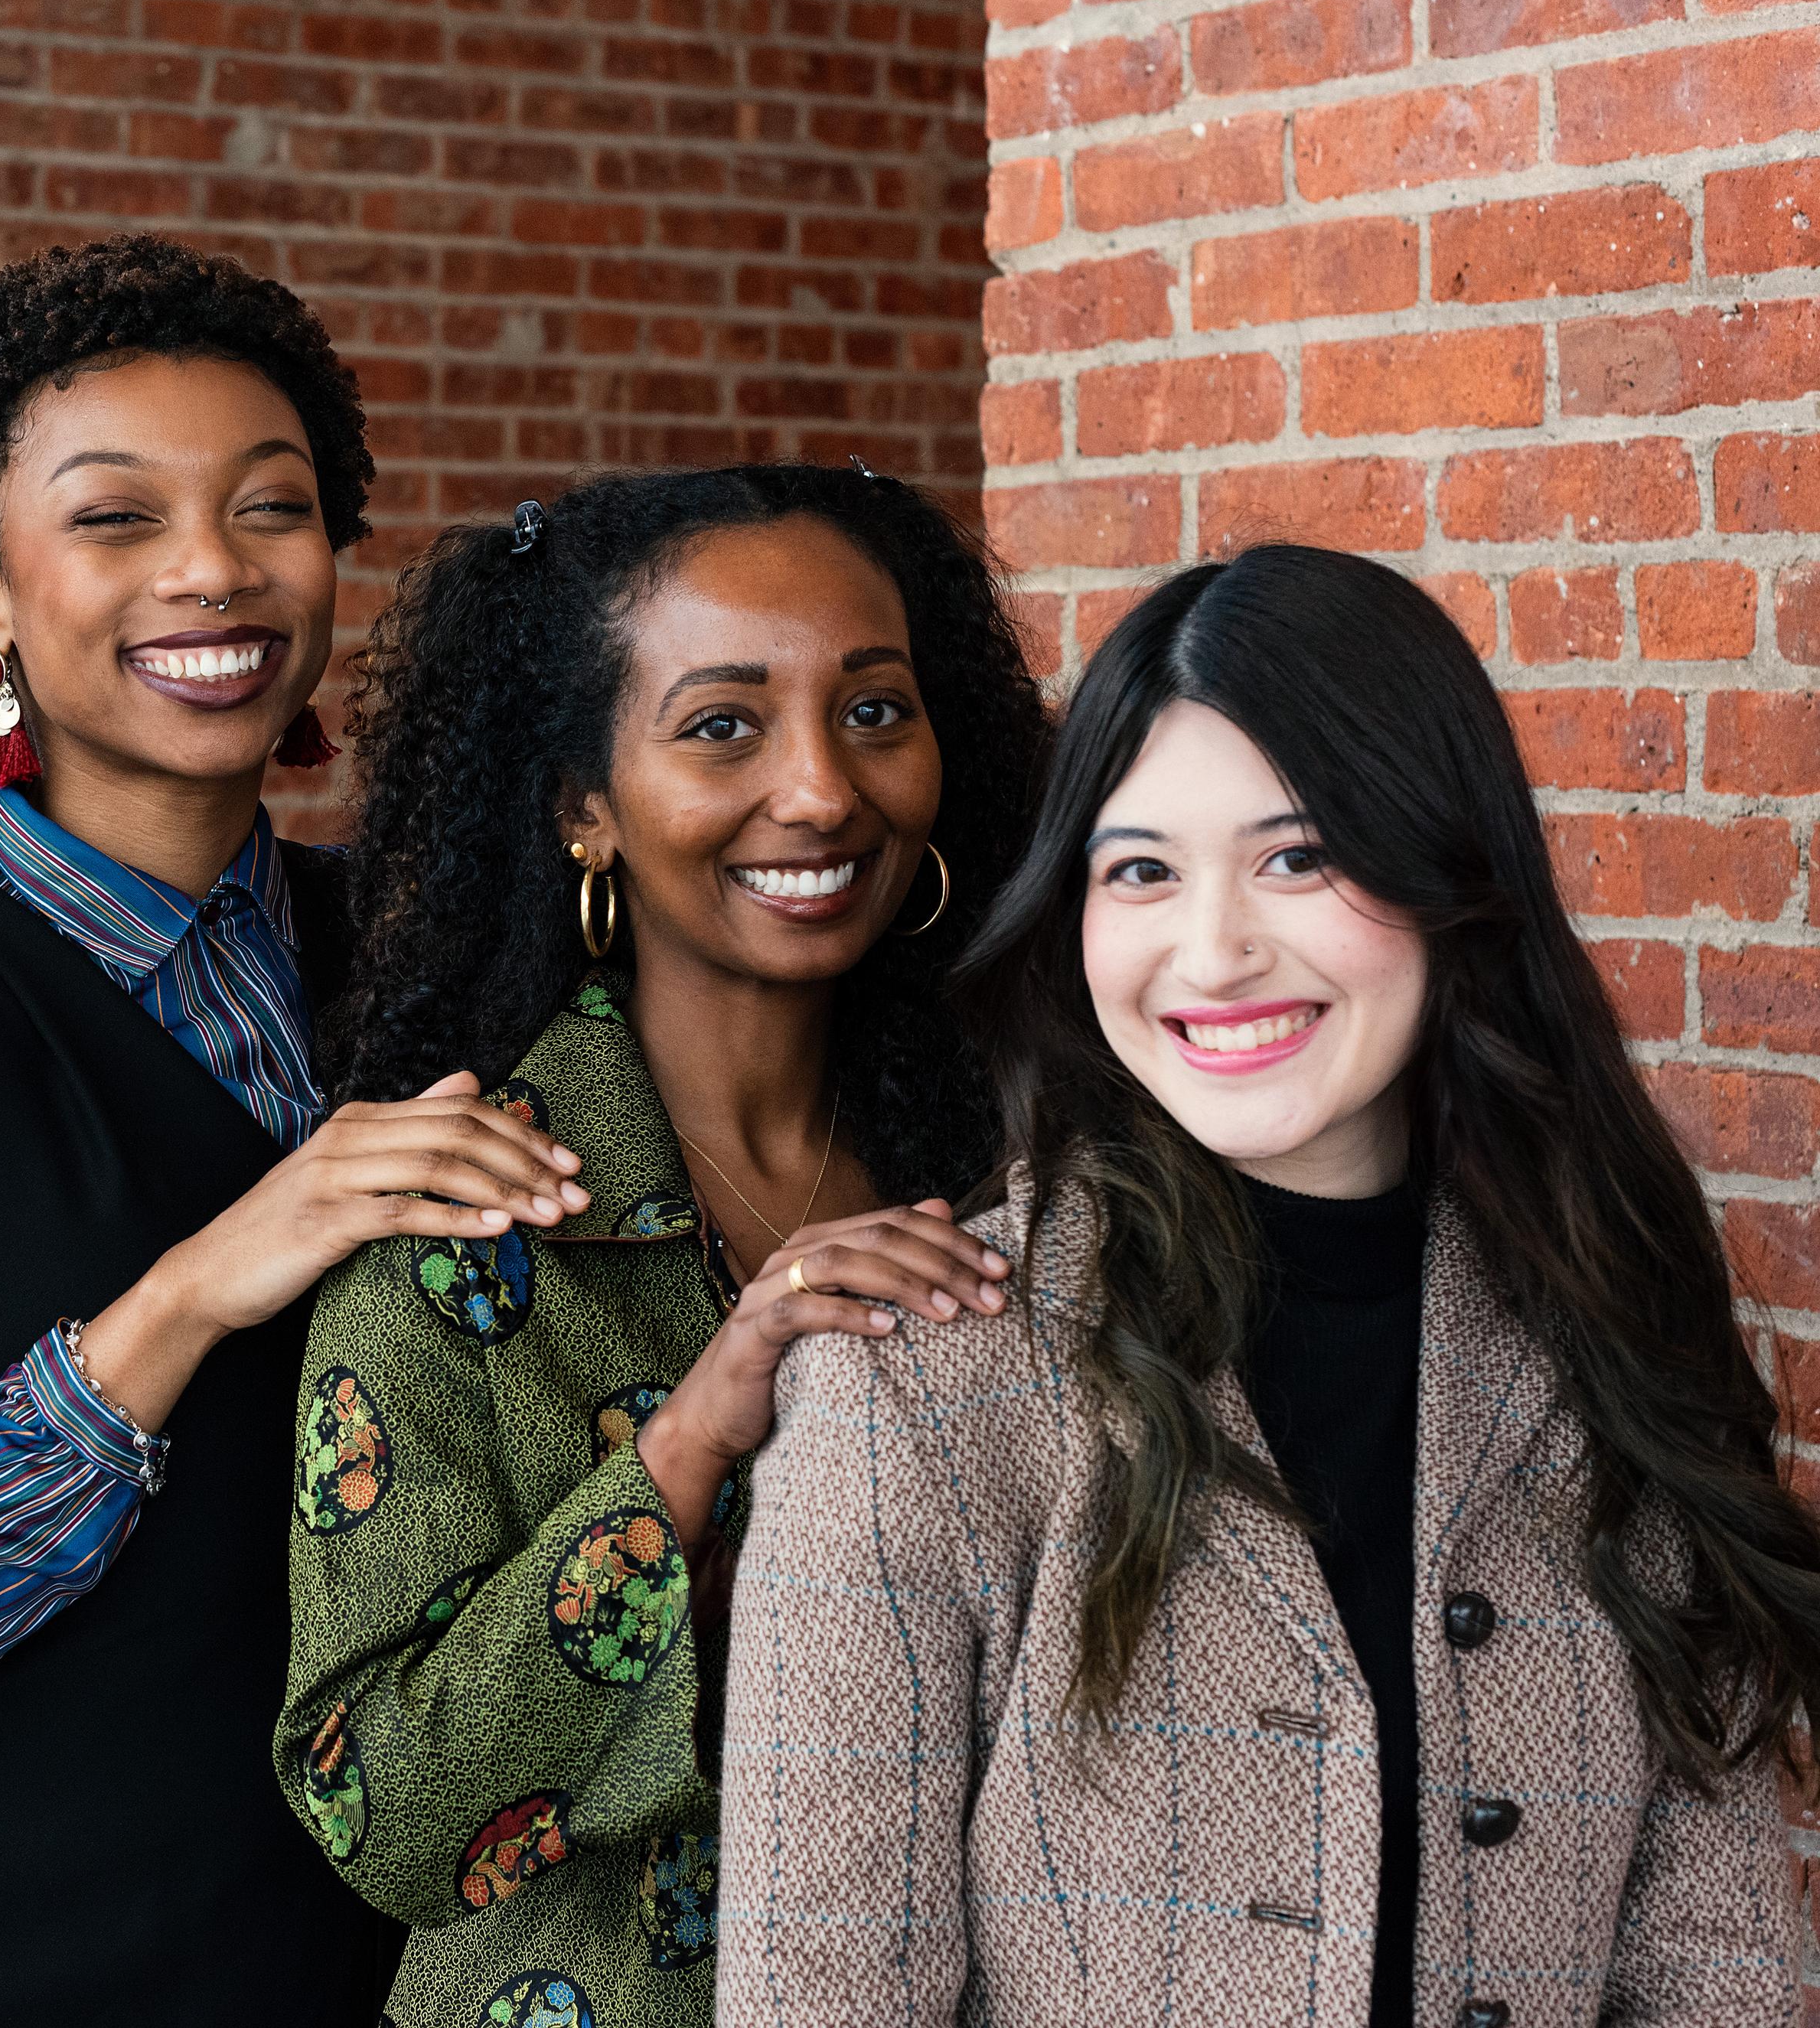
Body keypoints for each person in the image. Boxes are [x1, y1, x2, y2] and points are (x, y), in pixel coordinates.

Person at [719, 545, 1820, 2028]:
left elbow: (1716, 1967)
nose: (1216, 950)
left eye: (1299, 855)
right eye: (1143, 870)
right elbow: (820, 1998)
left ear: (1449, 872)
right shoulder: (916, 1378)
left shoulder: (1614, 1334)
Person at [0, 235, 575, 2024]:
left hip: (345, 1966)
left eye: (274, 506)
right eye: (114, 519)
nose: (211, 571)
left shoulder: (421, 968)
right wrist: (179, 1303)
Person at [276, 463, 1054, 2025]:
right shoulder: (468, 1227)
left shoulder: (1013, 1182)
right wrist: (697, 1435)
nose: (823, 789)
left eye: (876, 710)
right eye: (721, 725)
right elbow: (385, 1811)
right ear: (585, 804)